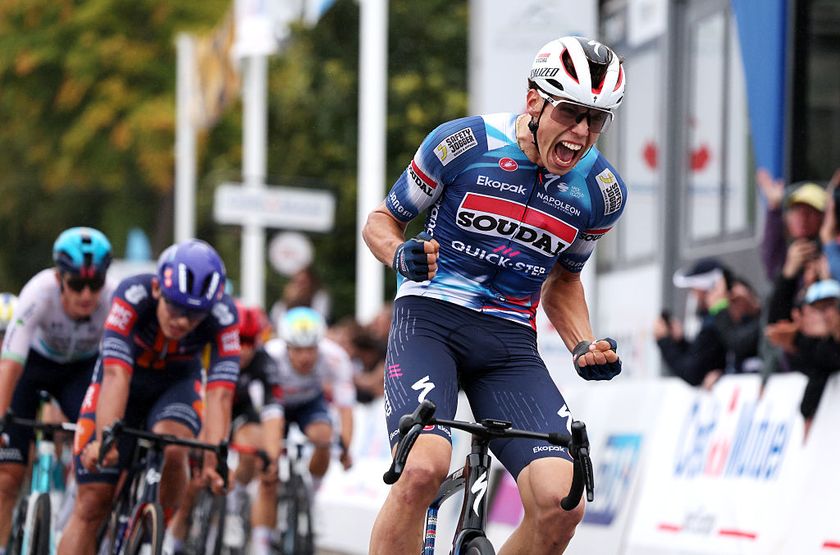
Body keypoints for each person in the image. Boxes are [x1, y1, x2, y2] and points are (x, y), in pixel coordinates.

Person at [362, 35, 627, 554]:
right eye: (571, 112)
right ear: (534, 101)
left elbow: (565, 280)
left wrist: (582, 345)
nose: (581, 133)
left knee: (563, 502)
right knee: (422, 468)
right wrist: (399, 254)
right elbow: (381, 220)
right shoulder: (463, 144)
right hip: (431, 322)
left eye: (597, 120)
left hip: (508, 346)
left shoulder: (601, 193)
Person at [58, 239, 240, 555]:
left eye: (195, 316)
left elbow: (221, 393)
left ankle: (158, 532)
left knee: (175, 446)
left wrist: (213, 461)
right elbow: (116, 375)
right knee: (91, 503)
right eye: (175, 307)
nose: (182, 321)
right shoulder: (131, 295)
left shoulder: (224, 315)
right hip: (124, 379)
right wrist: (105, 439)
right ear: (157, 289)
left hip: (176, 385)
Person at [0, 227, 115, 551]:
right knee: (7, 476)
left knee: (96, 456)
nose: (87, 295)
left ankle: (68, 521)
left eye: (95, 284)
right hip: (33, 366)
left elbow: (116, 373)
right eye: (77, 284)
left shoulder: (112, 299)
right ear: (59, 277)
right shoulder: (37, 293)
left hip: (80, 372)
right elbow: (10, 363)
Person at [264, 307, 354, 490]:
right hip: (276, 404)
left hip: (309, 402)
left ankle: (311, 493)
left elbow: (346, 408)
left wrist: (345, 449)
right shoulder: (270, 355)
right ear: (286, 345)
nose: (305, 357)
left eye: (310, 350)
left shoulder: (335, 357)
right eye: (297, 350)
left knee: (324, 437)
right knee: (269, 462)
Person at [758, 169, 825, 280]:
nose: (802, 218)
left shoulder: (830, 252)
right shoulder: (786, 254)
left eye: (809, 212)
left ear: (823, 217)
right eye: (796, 210)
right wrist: (789, 271)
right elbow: (771, 260)